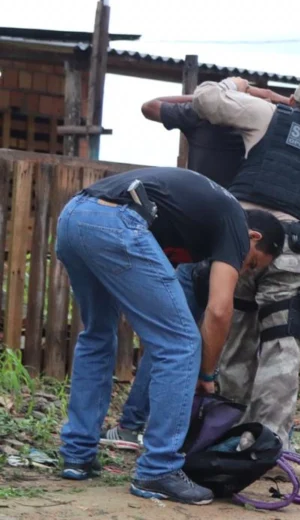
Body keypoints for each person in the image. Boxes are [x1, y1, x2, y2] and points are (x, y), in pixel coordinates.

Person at [56, 167, 285, 505]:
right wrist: (206, 375)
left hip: (74, 216)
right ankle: (158, 469)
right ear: (252, 238)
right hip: (116, 221)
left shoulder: (196, 222)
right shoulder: (235, 223)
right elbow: (220, 311)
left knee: (98, 336)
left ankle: (77, 454)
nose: (244, 270)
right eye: (252, 263)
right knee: (180, 343)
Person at [99, 85, 295, 452]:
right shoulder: (266, 128)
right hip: (228, 244)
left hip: (204, 244)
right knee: (211, 338)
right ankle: (186, 427)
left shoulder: (201, 119)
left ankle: (138, 426)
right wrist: (268, 97)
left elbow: (150, 105)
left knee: (173, 338)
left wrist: (206, 95)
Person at [184, 76, 300, 460]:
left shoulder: (268, 113)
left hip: (240, 239)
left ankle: (221, 432)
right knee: (282, 345)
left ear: (292, 99)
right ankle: (268, 445)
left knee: (233, 334)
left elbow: (206, 100)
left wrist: (234, 84)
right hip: (291, 246)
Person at [139, 85, 292, 188]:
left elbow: (150, 106)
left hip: (201, 198)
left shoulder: (201, 116)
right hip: (243, 208)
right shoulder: (269, 126)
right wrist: (271, 96)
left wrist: (205, 98)